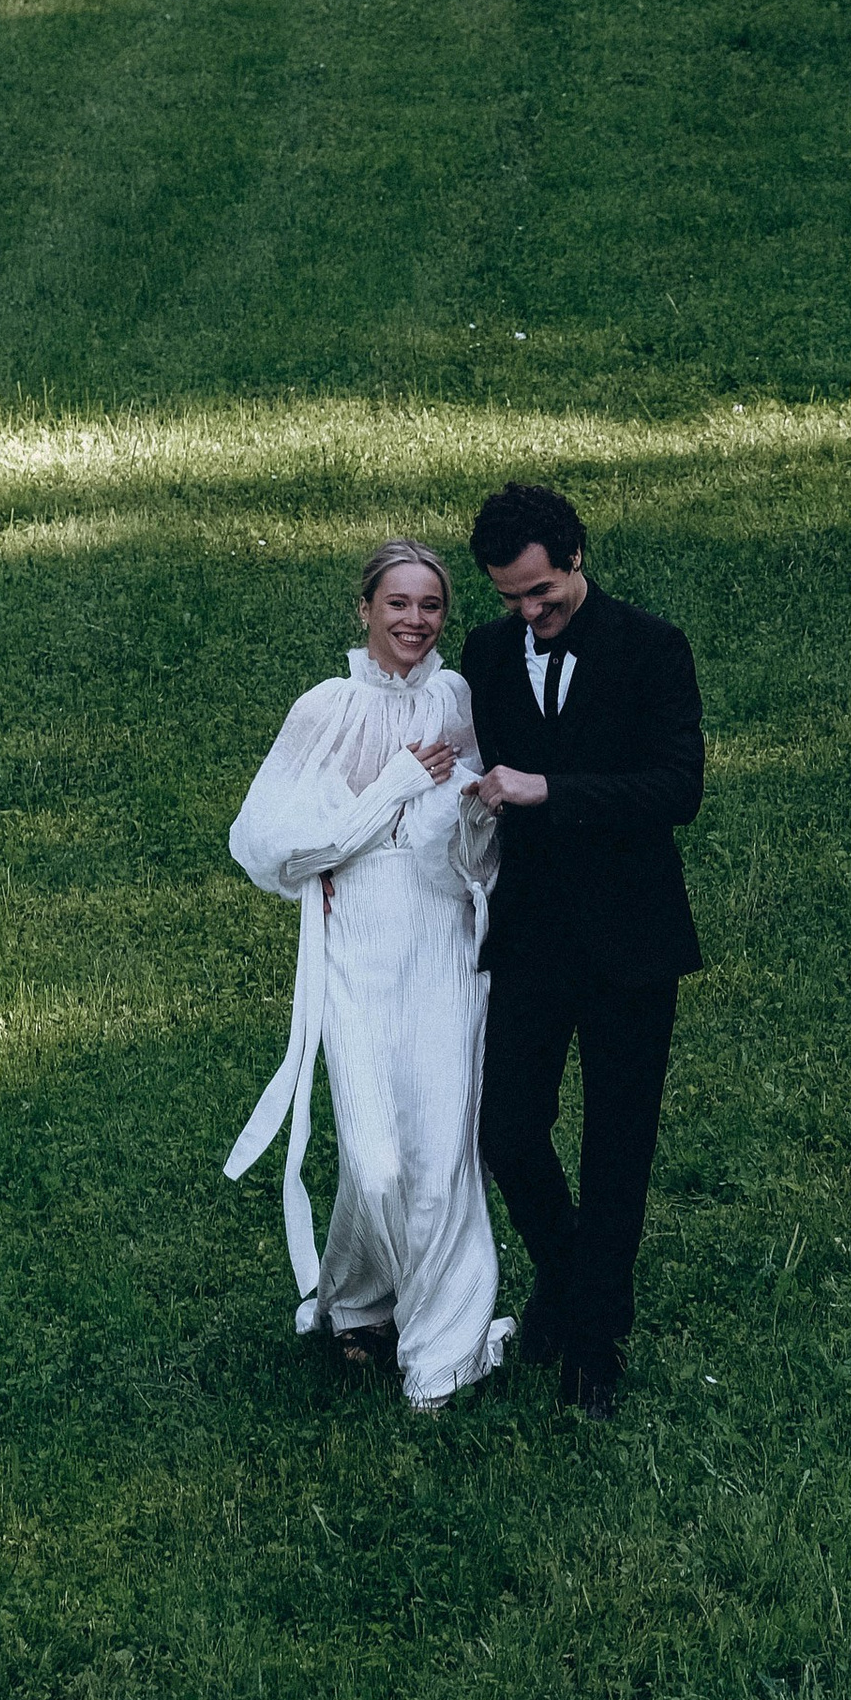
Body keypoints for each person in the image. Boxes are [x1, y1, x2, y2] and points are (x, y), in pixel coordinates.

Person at [224, 541, 512, 1411]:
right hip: (357, 952)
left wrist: (473, 815)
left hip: (445, 945)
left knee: (439, 1156)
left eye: (431, 606)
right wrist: (389, 786)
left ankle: (438, 1347)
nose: (415, 622)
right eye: (398, 604)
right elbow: (274, 850)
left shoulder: (459, 697)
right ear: (364, 609)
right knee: (377, 1161)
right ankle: (356, 1297)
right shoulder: (325, 709)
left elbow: (479, 852)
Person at [462, 481, 703, 1419]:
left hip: (631, 941)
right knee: (508, 1129)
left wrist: (549, 791)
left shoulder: (651, 646)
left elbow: (676, 789)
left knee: (617, 1144)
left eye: (541, 593)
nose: (528, 613)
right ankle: (568, 1278)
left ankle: (594, 1342)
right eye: (510, 598)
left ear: (574, 558)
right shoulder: (486, 654)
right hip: (528, 936)